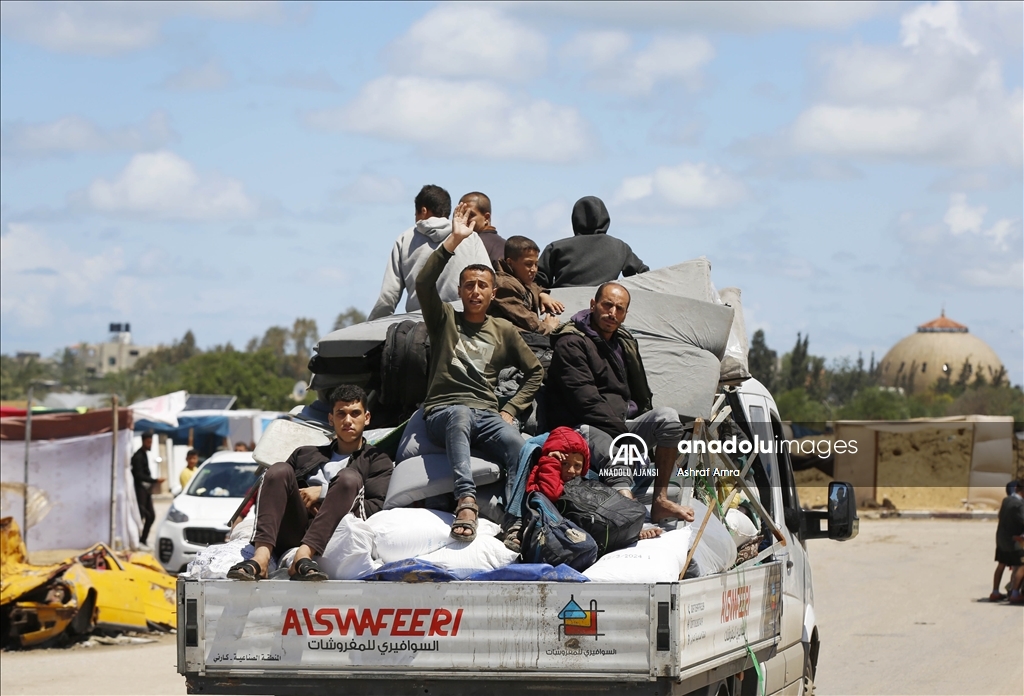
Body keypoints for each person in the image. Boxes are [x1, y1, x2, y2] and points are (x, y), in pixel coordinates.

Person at [417, 202, 544, 541]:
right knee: (459, 414)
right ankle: (466, 501)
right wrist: (453, 242)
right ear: (459, 292)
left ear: (493, 293)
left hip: (487, 414)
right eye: (469, 285)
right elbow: (424, 282)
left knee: (523, 447)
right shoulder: (444, 320)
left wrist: (510, 409)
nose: (475, 291)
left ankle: (515, 519)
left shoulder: (503, 330)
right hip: (445, 411)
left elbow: (535, 372)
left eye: (482, 286)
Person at [544, 282, 694, 523]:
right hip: (581, 426)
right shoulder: (571, 342)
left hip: (619, 423)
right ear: (593, 305)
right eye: (607, 305)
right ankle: (631, 515)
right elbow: (585, 401)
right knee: (617, 453)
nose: (612, 313)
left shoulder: (623, 341)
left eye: (620, 309)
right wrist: (625, 437)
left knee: (668, 419)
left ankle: (660, 501)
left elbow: (636, 393)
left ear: (625, 315)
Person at [227, 385, 393, 581]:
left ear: (366, 418)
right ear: (331, 419)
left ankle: (304, 556)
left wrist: (323, 494)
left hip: (333, 534)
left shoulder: (377, 460)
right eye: (341, 414)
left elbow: (374, 509)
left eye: (355, 413)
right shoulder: (304, 454)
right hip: (293, 528)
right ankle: (261, 558)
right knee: (278, 469)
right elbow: (276, 492)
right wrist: (303, 497)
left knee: (349, 477)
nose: (348, 420)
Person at [368, 185, 493, 320]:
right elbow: (488, 282)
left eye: (415, 214)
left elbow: (388, 296)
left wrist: (370, 329)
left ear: (423, 210)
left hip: (417, 327)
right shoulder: (470, 237)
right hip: (459, 324)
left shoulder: (405, 239)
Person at [535, 196, 648, 289]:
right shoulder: (620, 247)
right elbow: (643, 274)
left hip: (560, 306)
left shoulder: (556, 247)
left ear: (575, 219)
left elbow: (538, 280)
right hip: (604, 304)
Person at [489, 235, 565, 335]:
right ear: (510, 263)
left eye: (536, 264)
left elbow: (533, 286)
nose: (534, 270)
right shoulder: (504, 285)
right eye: (528, 264)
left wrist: (543, 294)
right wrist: (548, 327)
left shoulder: (519, 279)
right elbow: (526, 320)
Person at [130, 431, 164, 546]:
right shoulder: (138, 456)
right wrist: (155, 480)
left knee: (151, 516)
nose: (150, 444)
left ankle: (143, 540)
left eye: (151, 442)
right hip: (140, 490)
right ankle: (138, 540)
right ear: (143, 441)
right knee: (141, 516)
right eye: (148, 442)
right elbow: (139, 475)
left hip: (146, 490)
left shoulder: (144, 454)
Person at [994, 479, 1024, 603]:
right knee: (1021, 565)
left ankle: (995, 592)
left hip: (1001, 539)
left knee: (1001, 565)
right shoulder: (1019, 505)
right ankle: (1015, 593)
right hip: (1014, 541)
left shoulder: (1006, 500)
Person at [459, 191, 505, 269]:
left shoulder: (472, 244)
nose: (464, 219)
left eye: (470, 215)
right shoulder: (505, 245)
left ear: (486, 218)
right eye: (461, 214)